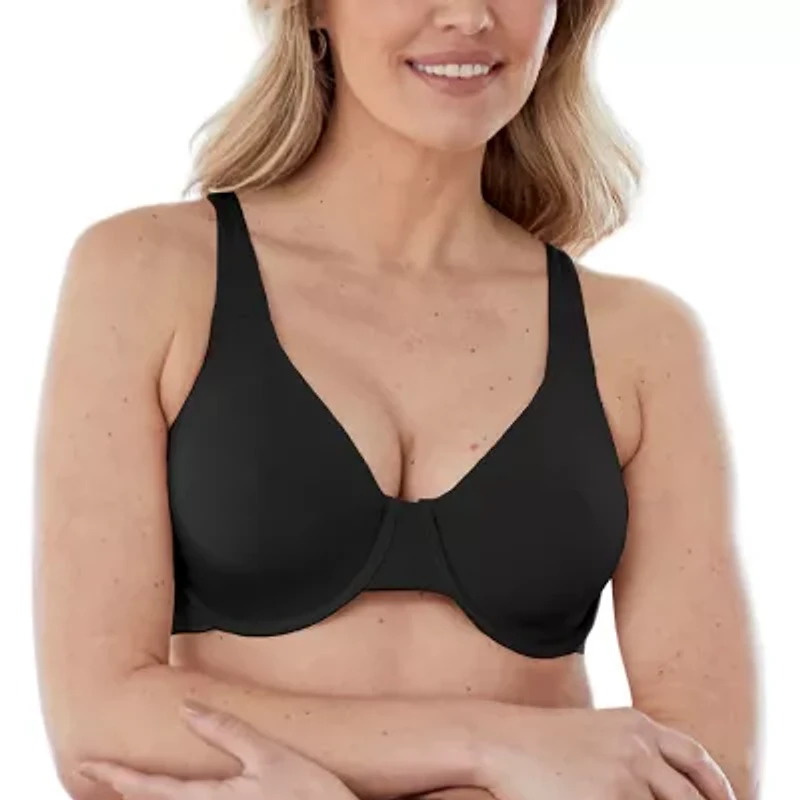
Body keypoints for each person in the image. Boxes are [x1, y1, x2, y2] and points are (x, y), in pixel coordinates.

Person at [33, 1, 760, 799]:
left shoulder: (642, 341)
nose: (468, 15)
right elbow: (100, 721)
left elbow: (707, 773)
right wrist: (495, 746)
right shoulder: (147, 274)